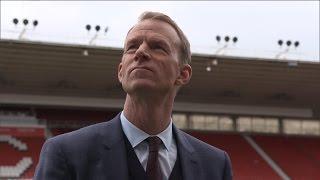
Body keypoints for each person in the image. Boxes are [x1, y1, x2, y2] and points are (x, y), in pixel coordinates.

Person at [34, 11, 233, 180]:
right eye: (132, 47)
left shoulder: (215, 165)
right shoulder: (65, 152)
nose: (141, 52)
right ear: (121, 71)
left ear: (182, 74)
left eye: (157, 47)